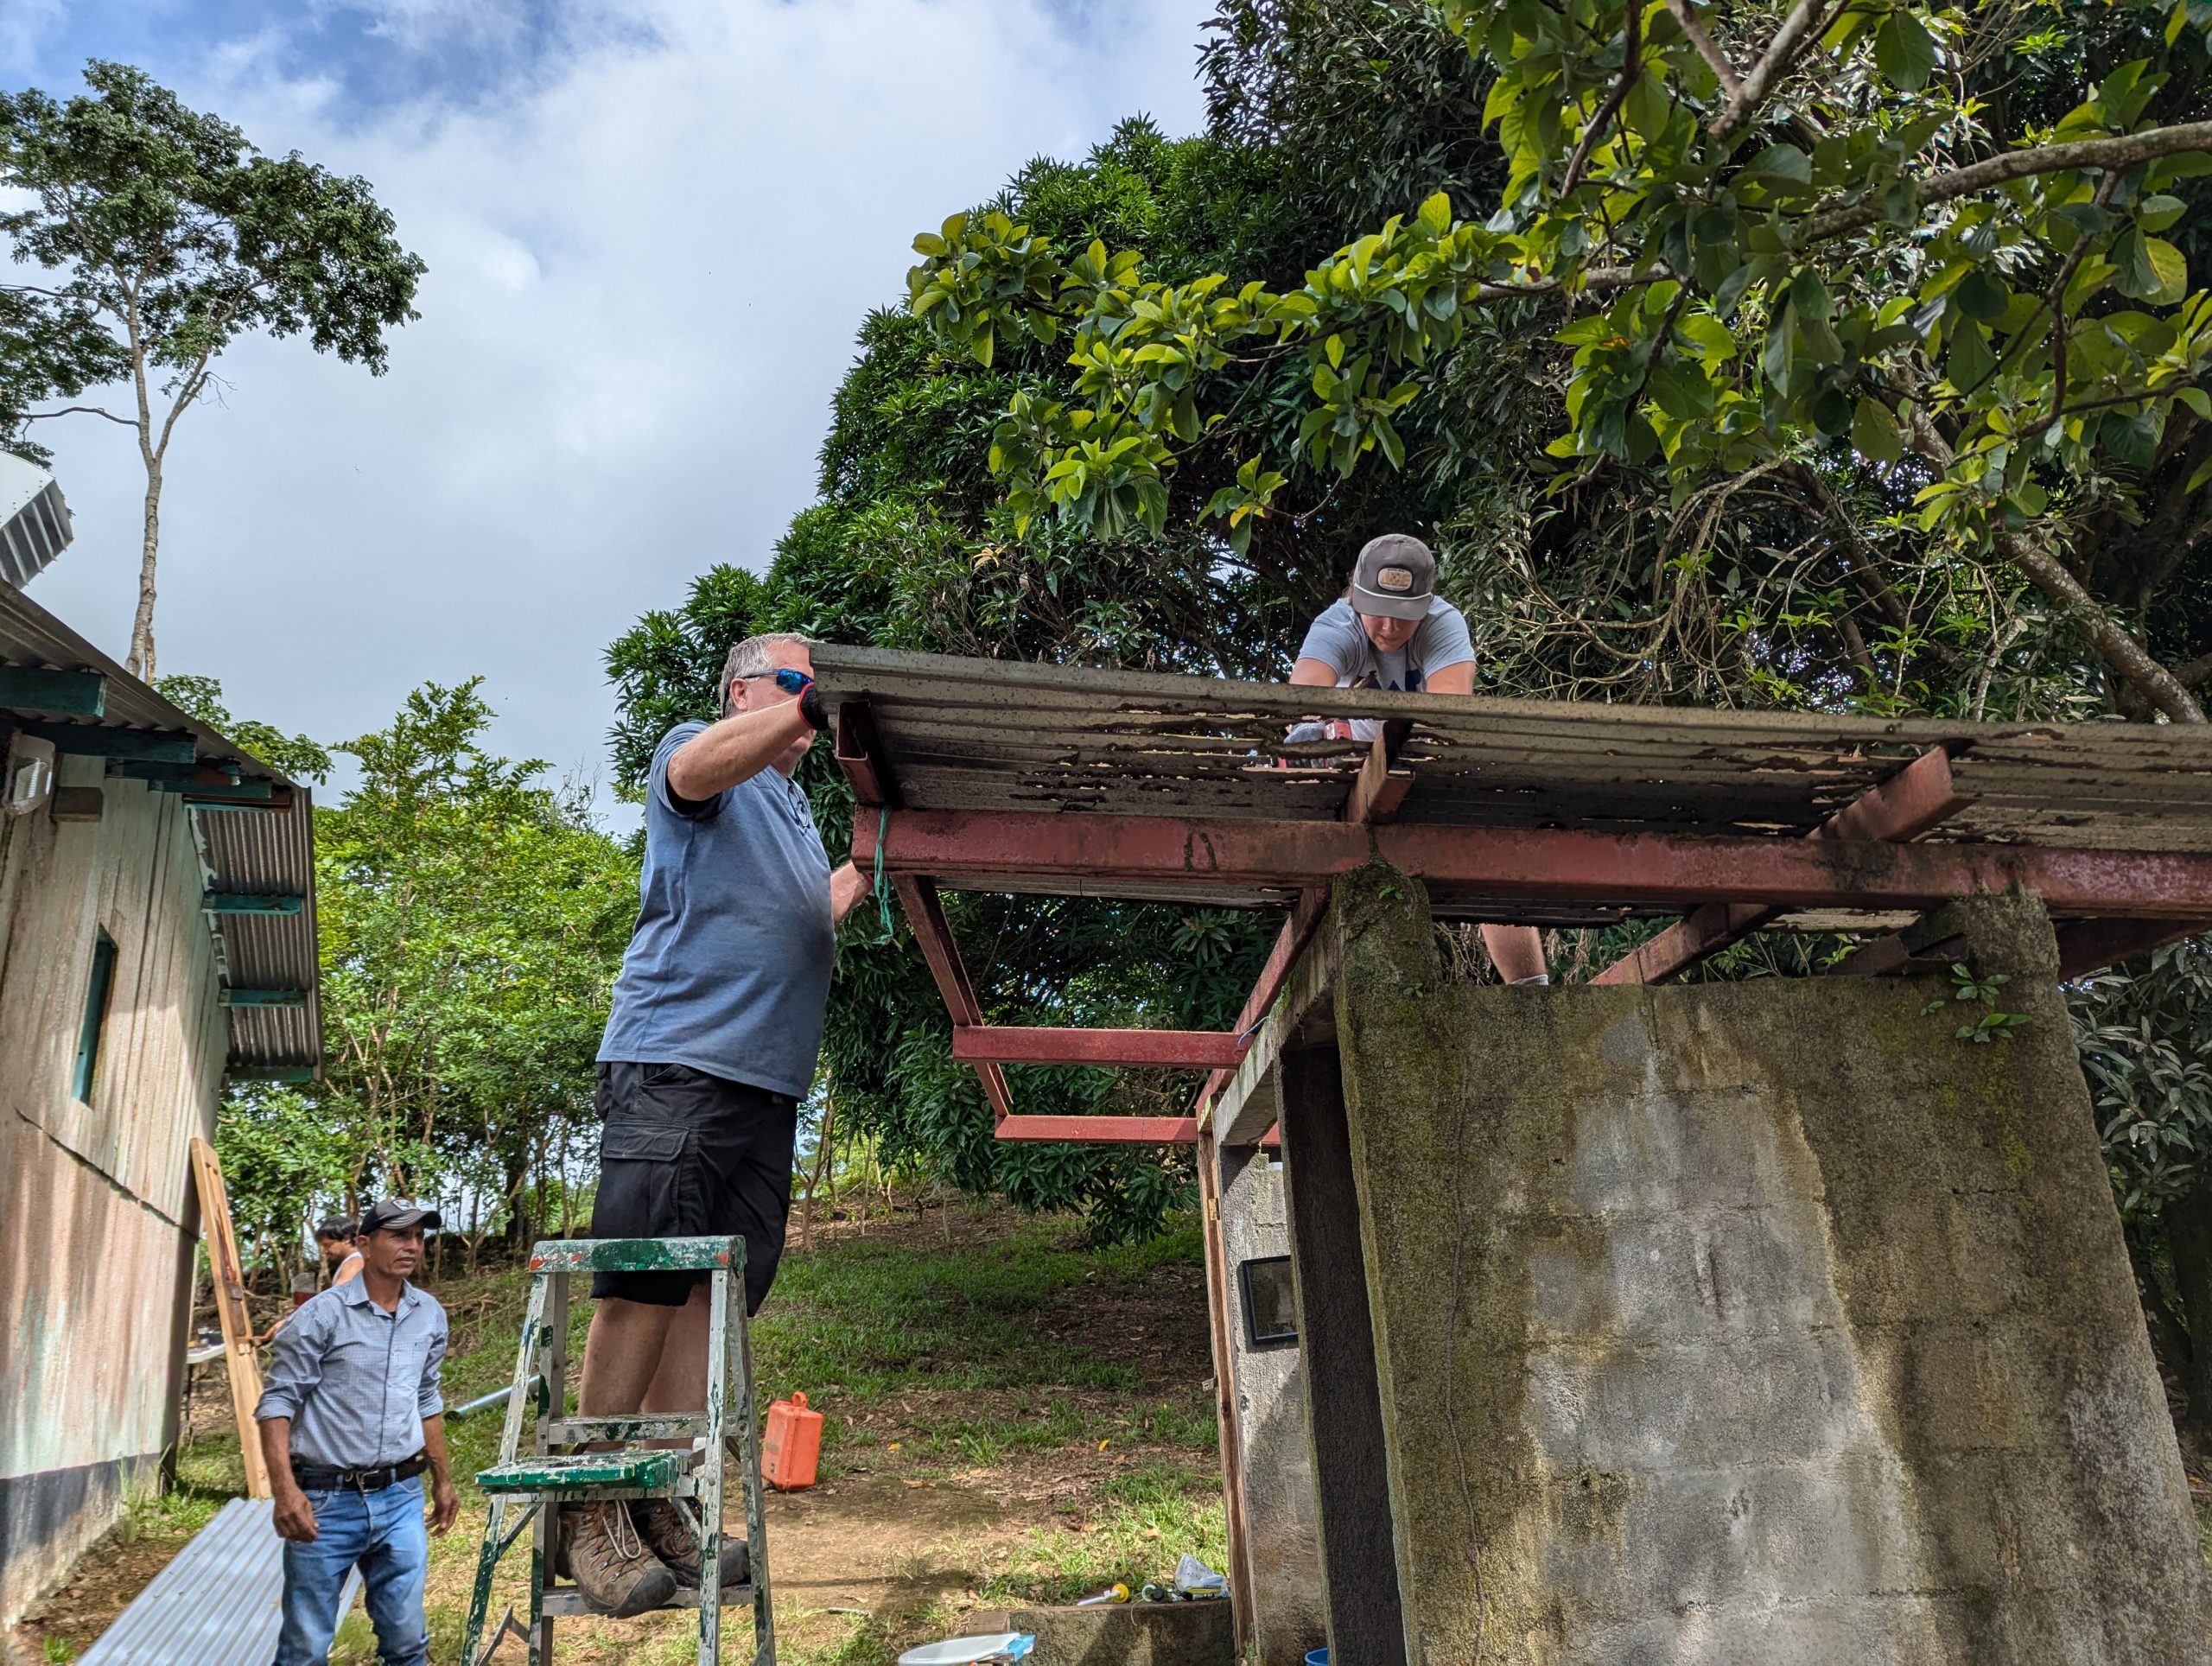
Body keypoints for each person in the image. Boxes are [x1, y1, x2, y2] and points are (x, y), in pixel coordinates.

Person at [566, 632, 867, 1616]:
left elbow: (804, 915)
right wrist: (806, 710)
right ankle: (591, 1510)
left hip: (764, 1086)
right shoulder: (700, 750)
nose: (809, 697)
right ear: (744, 691)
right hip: (678, 1062)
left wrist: (868, 863)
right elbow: (693, 771)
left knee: (709, 1297)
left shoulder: (788, 805)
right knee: (644, 1279)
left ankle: (661, 1500)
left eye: (812, 687)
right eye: (794, 680)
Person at [1290, 532, 1551, 986]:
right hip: (1356, 762)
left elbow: (1447, 716)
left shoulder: (1444, 624)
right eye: (1381, 613)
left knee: (1488, 859)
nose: (1391, 628)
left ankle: (1534, 994)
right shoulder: (1336, 626)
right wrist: (1308, 730)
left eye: (1405, 616)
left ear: (1426, 606)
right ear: (1356, 599)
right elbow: (1304, 696)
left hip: (1431, 753)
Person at [255, 1199, 460, 1666]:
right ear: (364, 1245)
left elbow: (427, 1399)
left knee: (408, 1642)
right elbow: (277, 1404)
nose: (411, 1246)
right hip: (326, 1502)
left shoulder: (428, 1315)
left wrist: (443, 1480)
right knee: (305, 1647)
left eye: (418, 1237)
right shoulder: (322, 1316)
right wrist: (285, 1492)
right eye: (398, 1235)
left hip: (402, 1497)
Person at [316, 1217, 365, 1288]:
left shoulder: (354, 1263)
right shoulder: (352, 1261)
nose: (324, 1251)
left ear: (347, 1240)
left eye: (327, 1245)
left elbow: (339, 1297)